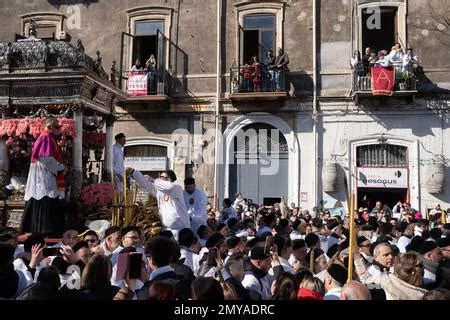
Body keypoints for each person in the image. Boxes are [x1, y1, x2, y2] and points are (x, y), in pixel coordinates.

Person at [21, 117, 67, 236]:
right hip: (42, 177)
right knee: (44, 198)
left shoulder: (49, 138)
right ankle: (44, 231)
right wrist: (61, 168)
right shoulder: (45, 137)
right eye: (57, 127)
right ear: (49, 127)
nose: (59, 130)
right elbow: (45, 158)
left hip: (46, 175)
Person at [126, 168, 190, 240]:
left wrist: (153, 180)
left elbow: (168, 187)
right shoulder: (159, 192)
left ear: (172, 180)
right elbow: (147, 185)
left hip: (181, 228)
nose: (162, 180)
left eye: (166, 178)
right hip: (167, 229)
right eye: (161, 177)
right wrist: (134, 172)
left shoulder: (176, 188)